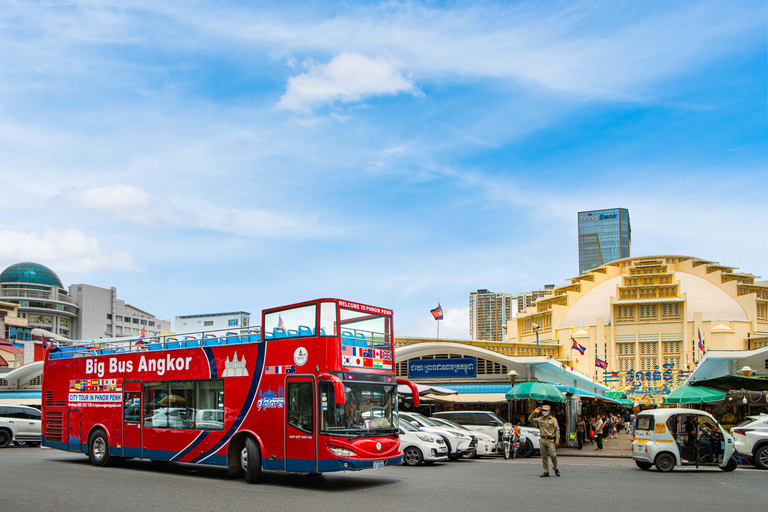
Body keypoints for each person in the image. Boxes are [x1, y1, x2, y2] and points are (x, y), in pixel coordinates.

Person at [529, 405, 560, 477]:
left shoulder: (553, 419)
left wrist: (557, 440)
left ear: (549, 411)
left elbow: (557, 430)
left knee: (553, 455)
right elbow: (530, 419)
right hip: (542, 439)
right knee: (544, 456)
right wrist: (534, 412)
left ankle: (555, 468)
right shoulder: (540, 419)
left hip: (550, 440)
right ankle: (546, 471)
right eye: (543, 410)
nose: (544, 412)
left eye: (546, 410)